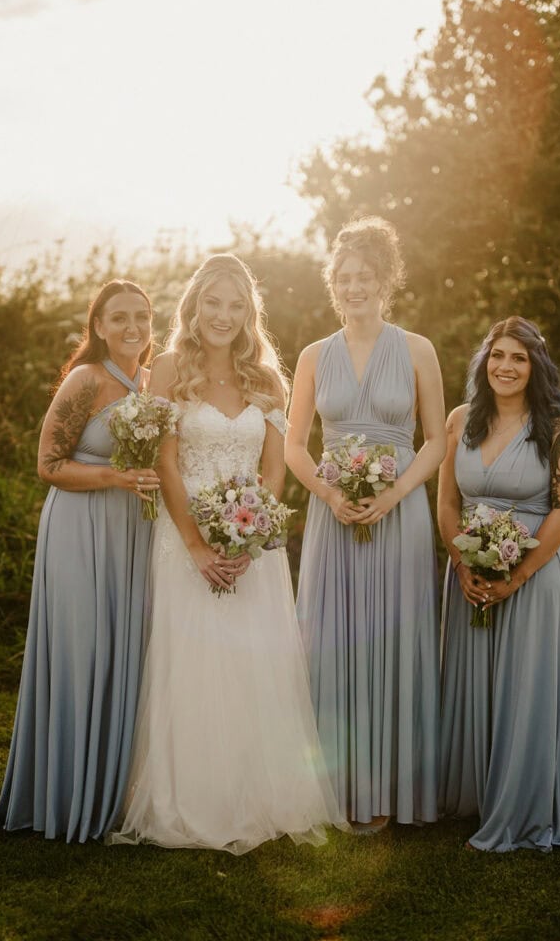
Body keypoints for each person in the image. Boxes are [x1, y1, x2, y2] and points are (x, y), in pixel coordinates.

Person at [109, 253, 346, 854]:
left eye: (236, 305)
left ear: (249, 314)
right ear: (194, 305)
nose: (223, 315)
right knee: (192, 666)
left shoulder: (269, 380)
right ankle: (190, 799)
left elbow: (273, 471)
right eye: (213, 302)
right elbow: (164, 461)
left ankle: (259, 796)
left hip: (252, 549)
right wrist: (196, 540)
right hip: (181, 539)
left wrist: (246, 532)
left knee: (253, 668)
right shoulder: (165, 370)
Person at [286, 216, 446, 832]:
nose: (355, 286)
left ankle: (391, 790)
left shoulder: (416, 349)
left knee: (392, 640)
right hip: (333, 514)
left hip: (399, 512)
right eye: (345, 277)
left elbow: (435, 441)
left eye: (366, 276)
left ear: (386, 281)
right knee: (333, 639)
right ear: (334, 283)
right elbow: (297, 446)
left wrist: (396, 495)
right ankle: (336, 789)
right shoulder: (310, 356)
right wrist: (329, 494)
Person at [0, 280, 160, 843]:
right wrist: (115, 476)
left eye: (141, 316)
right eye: (119, 318)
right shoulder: (85, 380)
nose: (132, 327)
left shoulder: (151, 383)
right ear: (99, 326)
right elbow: (48, 464)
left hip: (132, 533)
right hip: (79, 526)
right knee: (81, 651)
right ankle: (63, 795)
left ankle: (108, 794)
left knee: (120, 654)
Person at [438, 316, 560, 852]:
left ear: (535, 366)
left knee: (527, 684)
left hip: (535, 574)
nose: (506, 367)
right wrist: (463, 562)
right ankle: (477, 793)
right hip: (470, 571)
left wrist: (516, 575)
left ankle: (527, 803)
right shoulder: (460, 420)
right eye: (498, 356)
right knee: (477, 682)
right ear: (484, 363)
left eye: (519, 357)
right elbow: (447, 501)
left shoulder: (559, 424)